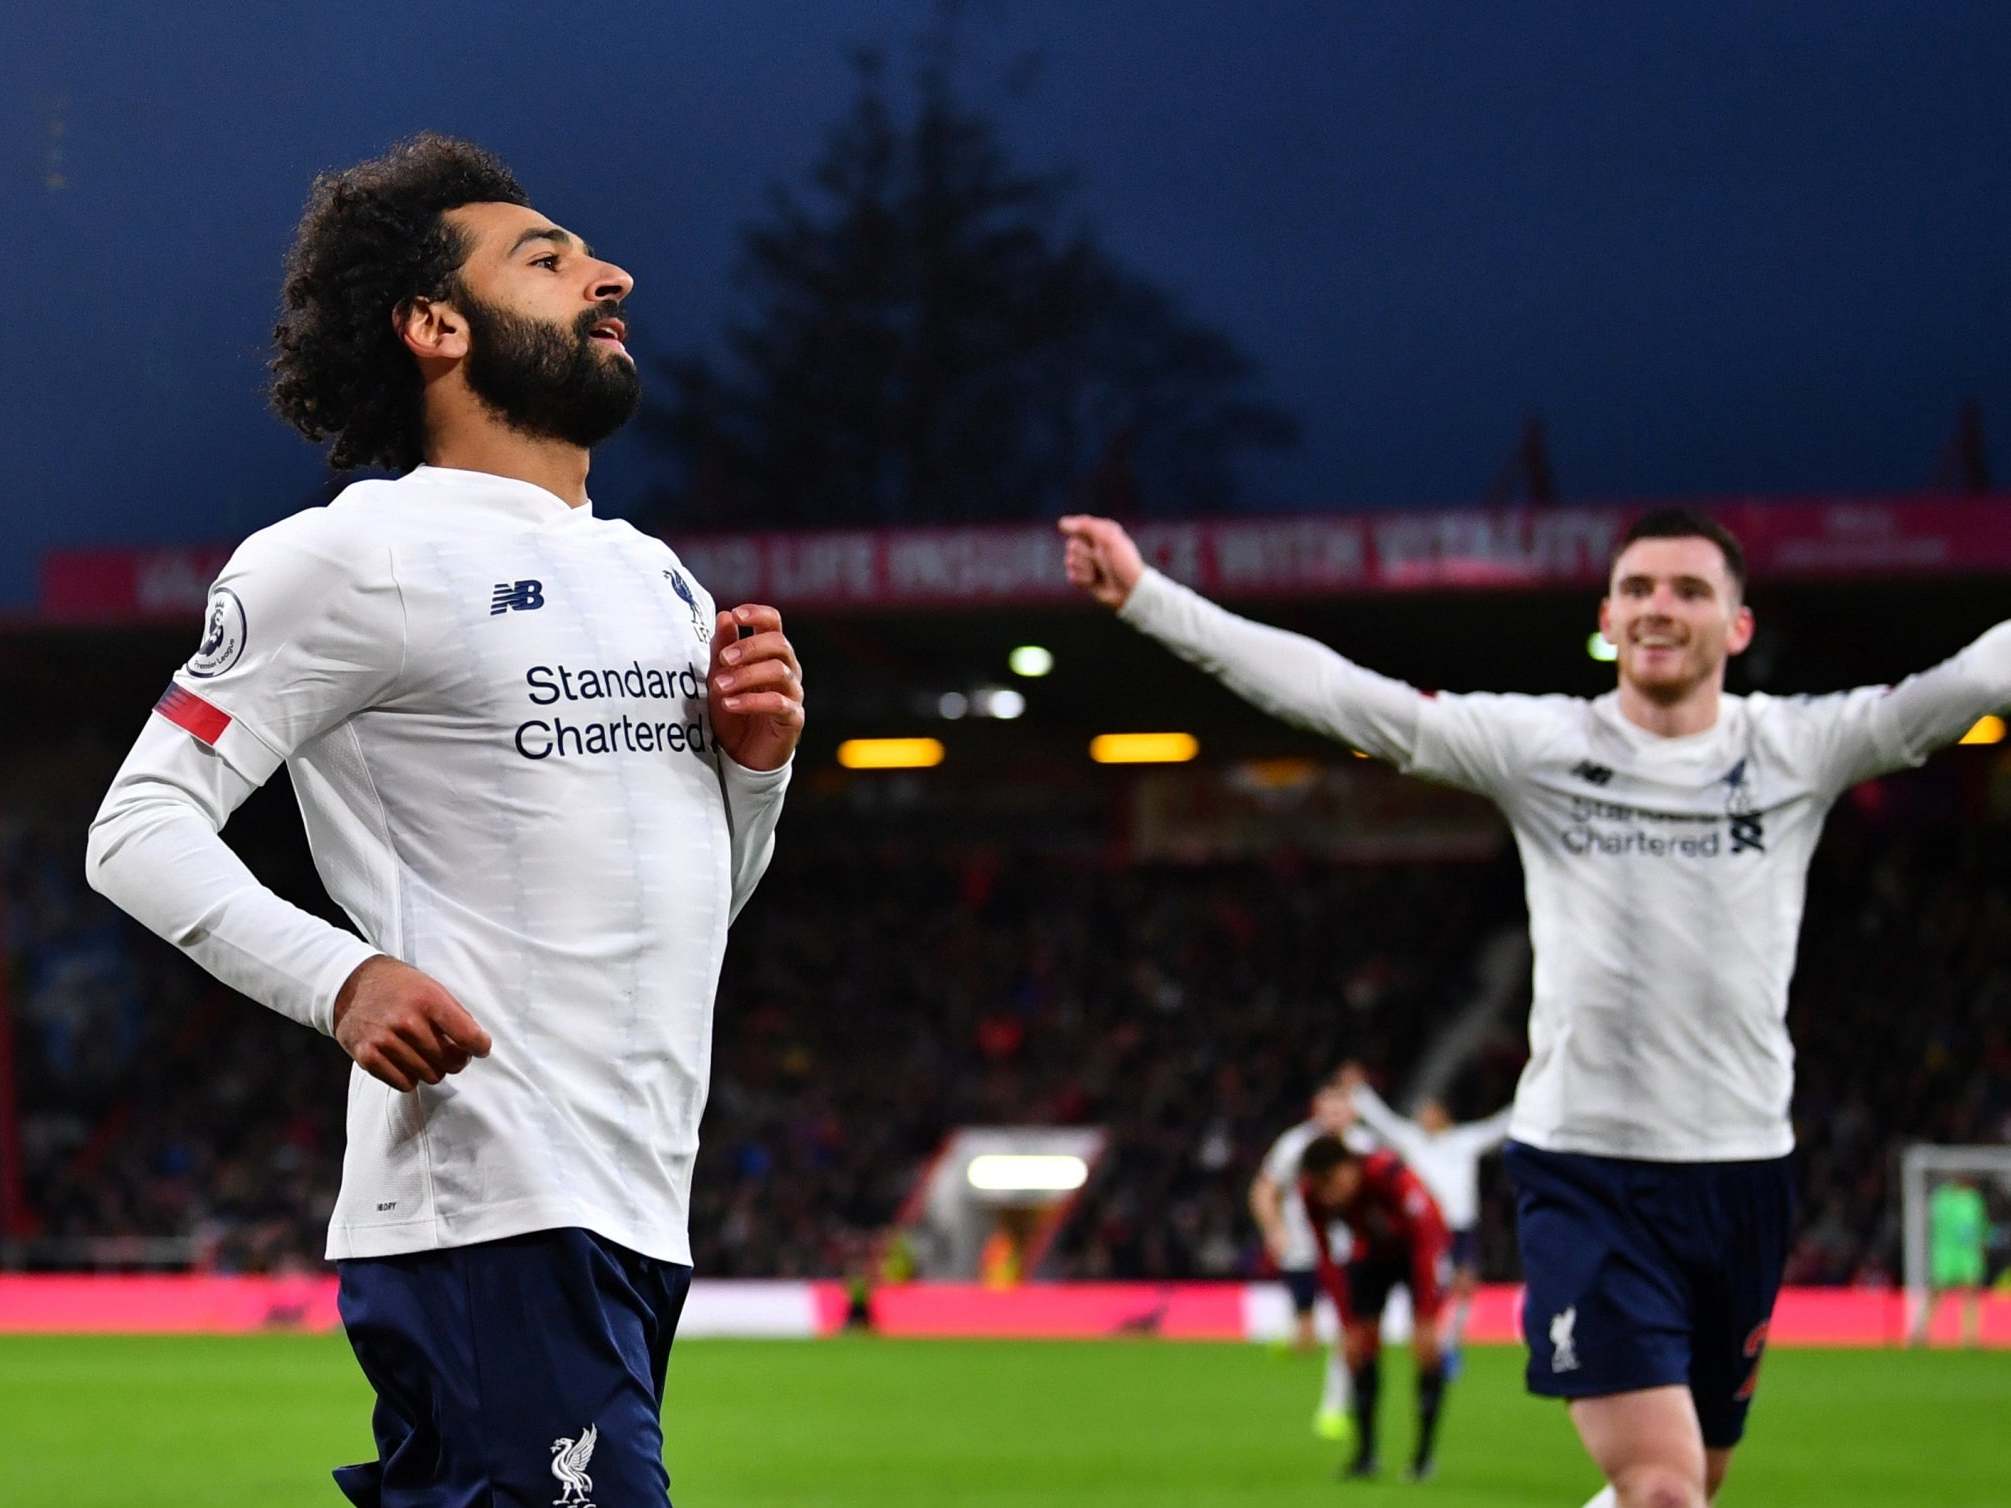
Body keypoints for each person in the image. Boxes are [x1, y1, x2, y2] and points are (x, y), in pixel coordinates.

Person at [86, 135, 806, 1506]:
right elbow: (138, 823)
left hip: (635, 1210)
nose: (611, 276)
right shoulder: (353, 555)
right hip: (489, 1208)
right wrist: (342, 979)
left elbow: (697, 908)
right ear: (434, 326)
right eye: (547, 259)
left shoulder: (656, 579)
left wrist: (755, 770)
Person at [1060, 507, 2011, 1507]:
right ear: (1606, 615)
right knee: (1661, 1486)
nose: (1658, 606)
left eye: (1689, 589)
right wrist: (1149, 597)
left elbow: (1972, 681)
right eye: (1637, 587)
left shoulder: (1798, 749)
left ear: (1737, 625)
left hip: (1741, 1177)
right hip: (1589, 1172)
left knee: (1697, 1480)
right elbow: (1344, 698)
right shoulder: (1542, 746)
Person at [1338, 1062, 1511, 1375]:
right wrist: (1359, 1092)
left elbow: (1499, 1126)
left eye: (1429, 1111)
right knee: (1437, 1287)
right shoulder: (1411, 1139)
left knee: (1465, 1288)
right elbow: (1383, 1122)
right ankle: (1431, 1342)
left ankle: (1451, 1345)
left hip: (1462, 1227)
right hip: (1429, 1228)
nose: (1424, 1117)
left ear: (1442, 1114)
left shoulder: (1464, 1139)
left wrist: (1532, 1097)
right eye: (1421, 1112)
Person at [1298, 1133, 1452, 1481]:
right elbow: (1325, 1258)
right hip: (1370, 1256)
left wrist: (1427, 1314)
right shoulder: (1312, 1195)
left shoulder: (1387, 1173)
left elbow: (1428, 1236)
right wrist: (1345, 1320)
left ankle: (1422, 1459)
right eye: (1321, 1187)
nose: (1329, 1195)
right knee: (1358, 1348)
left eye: (1333, 1183)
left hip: (1418, 1256)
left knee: (1427, 1349)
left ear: (1349, 1166)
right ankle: (1366, 1457)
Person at [1250, 1079, 1372, 1440]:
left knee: (1348, 1330)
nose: (1335, 1117)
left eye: (1341, 1110)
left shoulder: (1364, 1146)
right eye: (1328, 1110)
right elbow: (1264, 1189)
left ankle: (1333, 1409)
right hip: (1303, 1248)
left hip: (1350, 1250)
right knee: (1307, 1333)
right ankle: (1295, 1334)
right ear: (1316, 1112)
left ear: (1351, 1112)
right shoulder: (1295, 1144)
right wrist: (1273, 1229)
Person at [1918, 1175, 1990, 1347]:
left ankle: (1970, 1337)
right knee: (1936, 1292)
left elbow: (1980, 1227)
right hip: (1946, 1252)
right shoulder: (1942, 1198)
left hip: (1967, 1254)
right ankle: (1920, 1332)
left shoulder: (1973, 1200)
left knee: (1970, 1292)